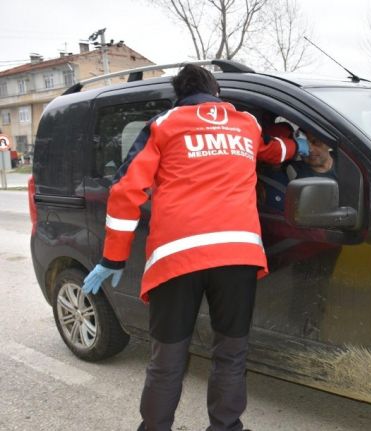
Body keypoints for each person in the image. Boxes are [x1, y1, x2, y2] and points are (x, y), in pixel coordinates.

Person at [80, 64, 302, 431]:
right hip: (237, 255)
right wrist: (295, 139)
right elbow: (273, 151)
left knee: (167, 359)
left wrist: (113, 257)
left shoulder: (165, 124)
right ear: (216, 92)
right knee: (231, 355)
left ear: (179, 95)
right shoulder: (245, 123)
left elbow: (124, 192)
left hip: (177, 258)